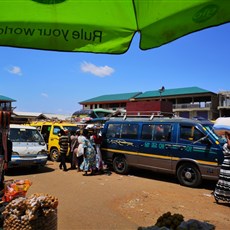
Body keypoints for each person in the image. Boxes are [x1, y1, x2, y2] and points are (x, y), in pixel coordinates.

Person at [213, 132, 230, 203]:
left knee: (226, 181)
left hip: (227, 165)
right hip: (227, 164)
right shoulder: (226, 145)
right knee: (224, 181)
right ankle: (217, 195)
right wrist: (228, 138)